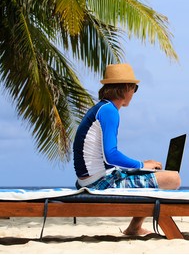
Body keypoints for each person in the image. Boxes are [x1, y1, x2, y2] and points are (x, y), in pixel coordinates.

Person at [73, 63, 181, 236]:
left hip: (91, 179)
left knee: (155, 173)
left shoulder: (101, 108)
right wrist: (141, 164)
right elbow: (111, 155)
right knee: (172, 179)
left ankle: (135, 228)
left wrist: (142, 166)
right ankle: (135, 228)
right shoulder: (109, 111)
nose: (134, 93)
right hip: (99, 183)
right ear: (125, 88)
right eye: (134, 88)